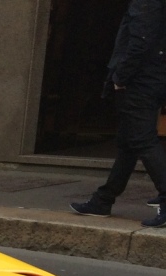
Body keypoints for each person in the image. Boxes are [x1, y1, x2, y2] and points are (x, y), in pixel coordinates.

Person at [71, 0, 166, 227]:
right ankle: (103, 199)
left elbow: (140, 42)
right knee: (127, 143)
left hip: (140, 80)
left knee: (142, 140)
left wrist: (121, 77)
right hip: (151, 77)